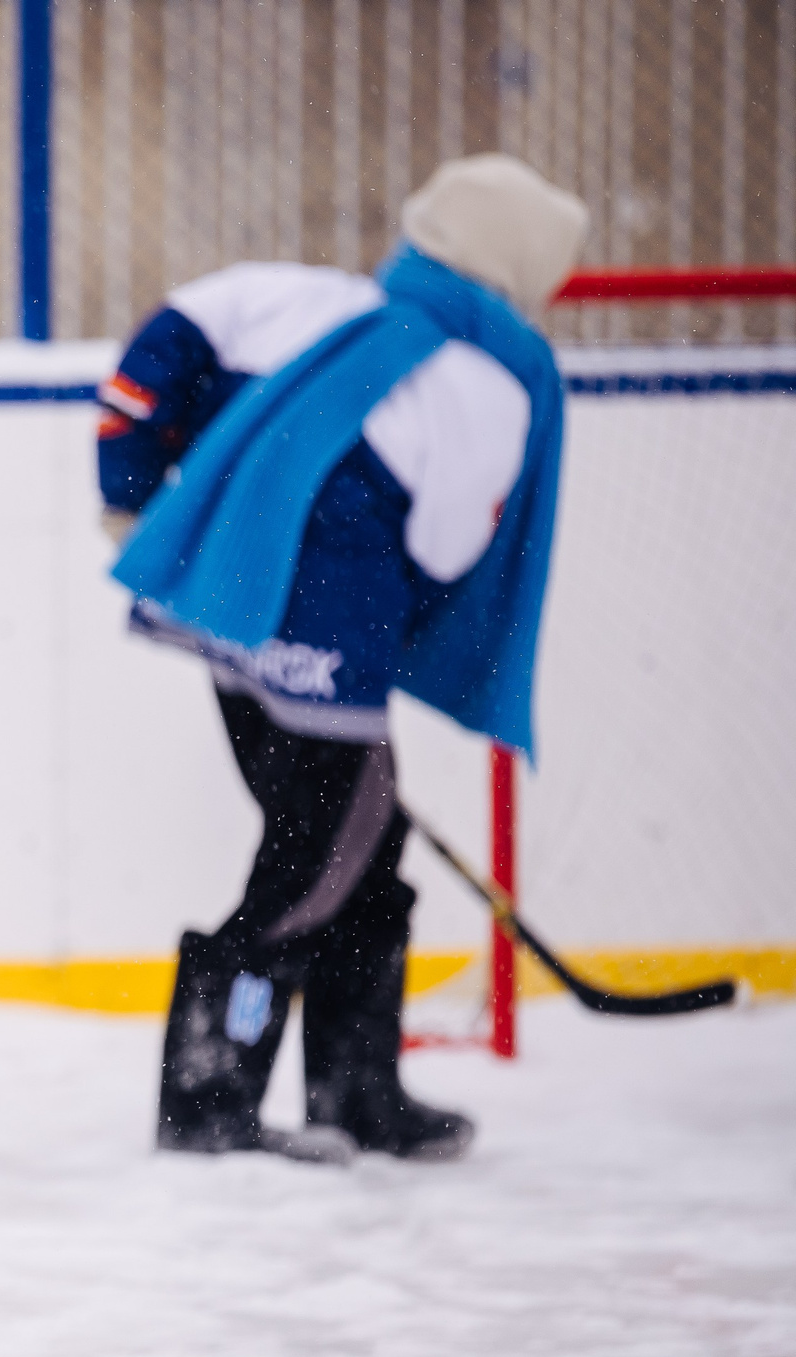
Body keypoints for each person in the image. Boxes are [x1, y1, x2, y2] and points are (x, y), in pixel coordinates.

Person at [99, 154, 587, 1166]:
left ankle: (355, 1093)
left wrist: (131, 489)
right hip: (327, 645)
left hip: (227, 618)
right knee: (319, 861)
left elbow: (168, 341)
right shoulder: (488, 382)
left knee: (349, 848)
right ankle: (211, 1093)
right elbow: (449, 552)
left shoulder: (302, 301)